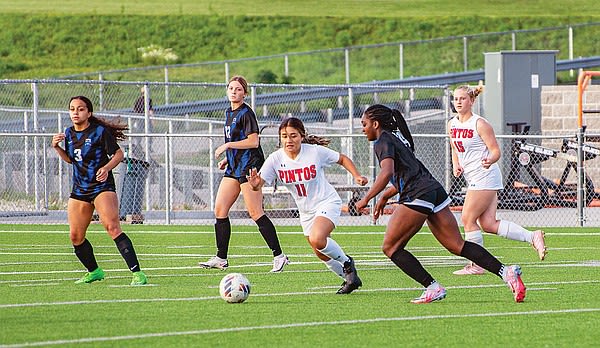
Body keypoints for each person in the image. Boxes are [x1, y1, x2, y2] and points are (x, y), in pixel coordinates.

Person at [354, 104, 526, 303]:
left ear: (375, 124)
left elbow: (387, 172)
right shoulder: (396, 137)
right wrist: (384, 196)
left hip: (417, 194)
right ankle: (507, 273)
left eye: (364, 124)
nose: (362, 128)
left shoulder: (382, 141)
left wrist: (366, 198)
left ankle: (432, 287)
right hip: (433, 190)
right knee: (457, 245)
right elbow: (406, 172)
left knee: (391, 248)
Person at [247, 117, 368, 294]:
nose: (289, 140)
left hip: (327, 201)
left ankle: (348, 263)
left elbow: (342, 159)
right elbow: (258, 185)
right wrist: (254, 183)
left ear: (302, 136)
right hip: (305, 211)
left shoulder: (314, 152)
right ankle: (349, 279)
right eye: (284, 136)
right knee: (320, 252)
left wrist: (357, 176)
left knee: (318, 239)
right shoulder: (275, 159)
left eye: (293, 135)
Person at [449, 84, 547, 275]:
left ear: (472, 101)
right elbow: (454, 147)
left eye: (462, 98)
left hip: (485, 175)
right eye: (455, 99)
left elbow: (495, 151)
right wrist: (455, 164)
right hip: (474, 177)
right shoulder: (451, 123)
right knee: (489, 224)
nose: (458, 102)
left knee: (468, 218)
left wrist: (489, 159)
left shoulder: (480, 124)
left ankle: (476, 264)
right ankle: (532, 236)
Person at [51, 95, 147, 285]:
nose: (76, 113)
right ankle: (94, 271)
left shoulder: (99, 132)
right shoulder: (68, 133)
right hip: (79, 190)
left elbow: (119, 154)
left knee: (112, 227)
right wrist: (56, 147)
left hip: (101, 187)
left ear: (89, 112)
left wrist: (105, 168)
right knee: (76, 236)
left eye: (80, 109)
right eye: (72, 109)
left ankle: (138, 274)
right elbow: (71, 160)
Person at [199, 75, 289, 273]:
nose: (234, 91)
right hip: (234, 167)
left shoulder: (246, 113)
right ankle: (221, 258)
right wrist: (228, 158)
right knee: (220, 211)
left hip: (249, 166)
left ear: (245, 93)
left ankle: (279, 256)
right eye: (231, 88)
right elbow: (238, 141)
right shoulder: (228, 113)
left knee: (255, 212)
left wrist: (228, 145)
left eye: (238, 89)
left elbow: (253, 141)